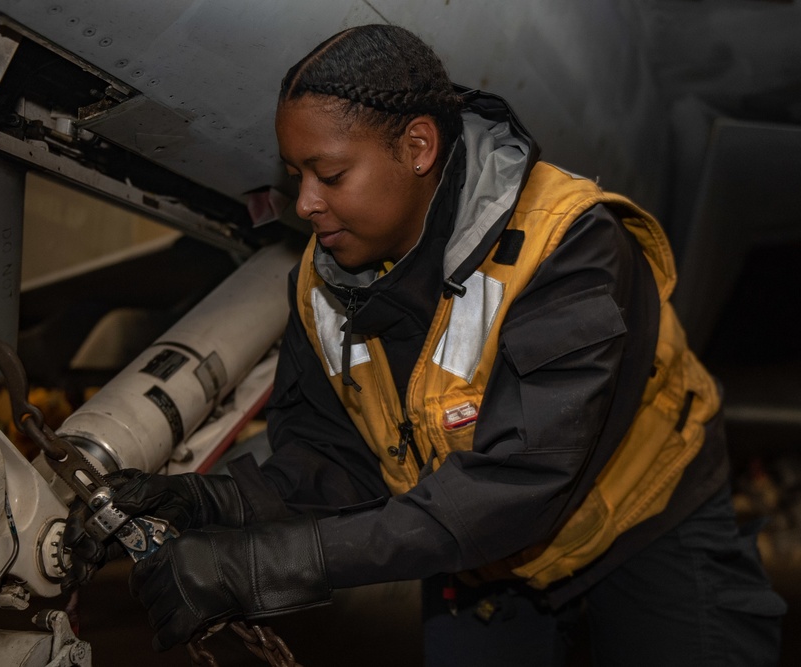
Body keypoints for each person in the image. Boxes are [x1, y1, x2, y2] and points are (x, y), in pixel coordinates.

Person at [63, 24, 785, 666]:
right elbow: (331, 459)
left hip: (644, 524)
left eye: (331, 175)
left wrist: (259, 565)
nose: (306, 203)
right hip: (482, 562)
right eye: (297, 177)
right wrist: (205, 503)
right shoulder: (320, 281)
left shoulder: (568, 248)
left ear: (417, 147)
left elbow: (513, 486)